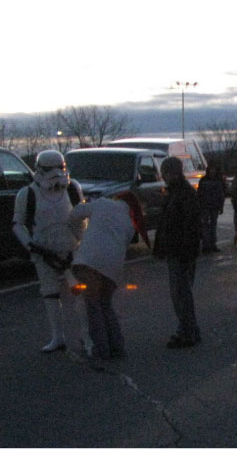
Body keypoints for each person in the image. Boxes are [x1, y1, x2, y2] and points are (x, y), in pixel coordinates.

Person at [12, 150, 87, 353]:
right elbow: (18, 224)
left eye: (59, 168)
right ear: (40, 170)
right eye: (50, 169)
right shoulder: (27, 194)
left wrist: (82, 240)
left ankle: (86, 337)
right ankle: (57, 337)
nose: (56, 174)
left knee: (79, 295)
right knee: (51, 295)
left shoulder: (72, 188)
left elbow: (81, 215)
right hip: (43, 252)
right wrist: (31, 246)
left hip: (72, 250)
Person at [68, 192, 150, 359]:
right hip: (113, 269)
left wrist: (79, 234)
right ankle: (117, 347)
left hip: (89, 262)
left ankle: (101, 349)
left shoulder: (103, 203)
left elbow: (75, 213)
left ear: (118, 199)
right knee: (106, 305)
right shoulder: (129, 224)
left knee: (93, 307)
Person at [153, 157, 202, 349]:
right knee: (181, 293)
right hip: (177, 249)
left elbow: (190, 225)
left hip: (181, 251)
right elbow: (165, 224)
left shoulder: (184, 194)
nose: (164, 177)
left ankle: (187, 331)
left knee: (181, 294)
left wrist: (187, 250)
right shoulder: (175, 193)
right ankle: (190, 329)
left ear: (174, 173)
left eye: (166, 173)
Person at [197, 163, 225, 253]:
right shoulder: (205, 180)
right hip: (206, 206)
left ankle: (212, 244)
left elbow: (221, 194)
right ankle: (206, 245)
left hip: (214, 206)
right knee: (206, 226)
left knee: (212, 226)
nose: (213, 171)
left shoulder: (217, 180)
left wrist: (221, 206)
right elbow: (199, 194)